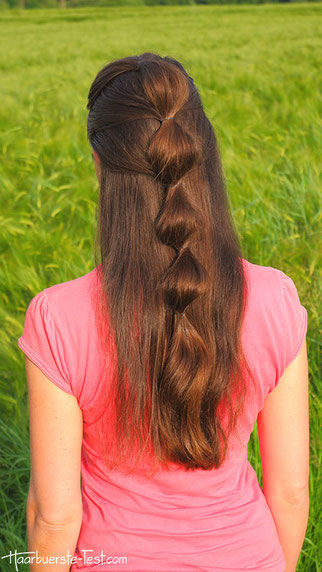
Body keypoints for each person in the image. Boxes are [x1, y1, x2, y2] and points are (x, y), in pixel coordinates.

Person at [18, 52, 309, 572]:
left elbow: (53, 517)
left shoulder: (57, 317)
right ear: (203, 153)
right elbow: (287, 491)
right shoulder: (274, 299)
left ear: (99, 162)